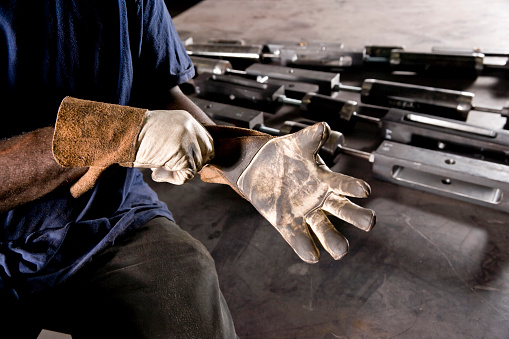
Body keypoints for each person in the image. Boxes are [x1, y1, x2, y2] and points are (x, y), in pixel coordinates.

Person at [0, 1, 375, 338]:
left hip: (108, 215)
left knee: (185, 287)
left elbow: (159, 87)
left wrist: (243, 157)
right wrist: (121, 135)